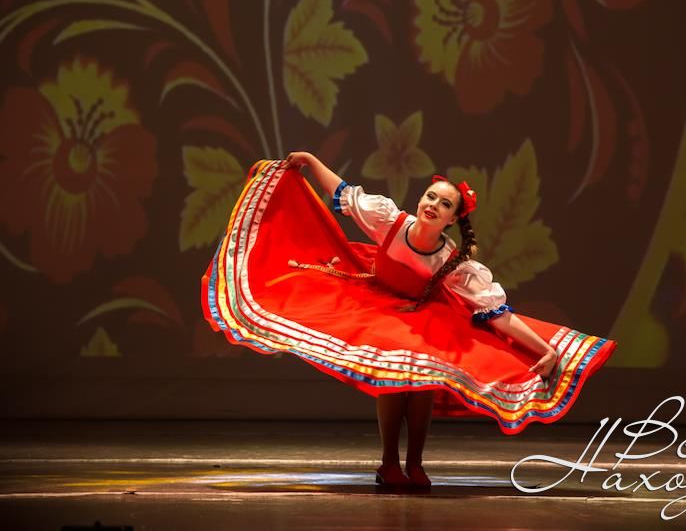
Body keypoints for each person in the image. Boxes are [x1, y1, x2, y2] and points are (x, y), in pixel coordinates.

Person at [201, 153, 616, 490]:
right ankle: (388, 463)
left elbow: (499, 315)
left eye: (445, 204)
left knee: (420, 379)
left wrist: (546, 350)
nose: (433, 205)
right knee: (393, 375)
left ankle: (414, 462)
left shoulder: (453, 262)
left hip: (420, 316)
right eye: (431, 197)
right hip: (377, 302)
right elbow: (345, 194)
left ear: (452, 219)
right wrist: (310, 160)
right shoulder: (390, 221)